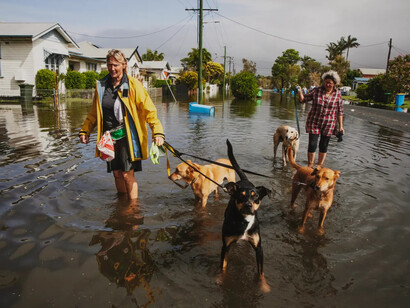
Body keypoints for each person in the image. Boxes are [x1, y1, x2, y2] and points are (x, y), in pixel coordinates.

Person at [79, 49, 165, 200]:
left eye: (116, 65)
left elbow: (149, 110)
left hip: (128, 137)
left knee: (126, 174)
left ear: (124, 65)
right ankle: (121, 203)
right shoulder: (101, 86)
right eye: (109, 64)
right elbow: (94, 112)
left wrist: (157, 132)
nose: (112, 68)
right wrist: (85, 131)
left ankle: (132, 209)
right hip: (109, 138)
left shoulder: (133, 85)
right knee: (117, 173)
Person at [297, 70, 344, 168]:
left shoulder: (338, 94)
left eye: (330, 83)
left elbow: (340, 111)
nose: (327, 84)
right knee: (312, 143)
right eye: (326, 82)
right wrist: (300, 92)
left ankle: (319, 166)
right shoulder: (317, 90)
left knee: (324, 145)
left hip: (329, 123)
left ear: (334, 84)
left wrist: (341, 127)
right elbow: (304, 99)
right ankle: (310, 166)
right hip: (314, 121)